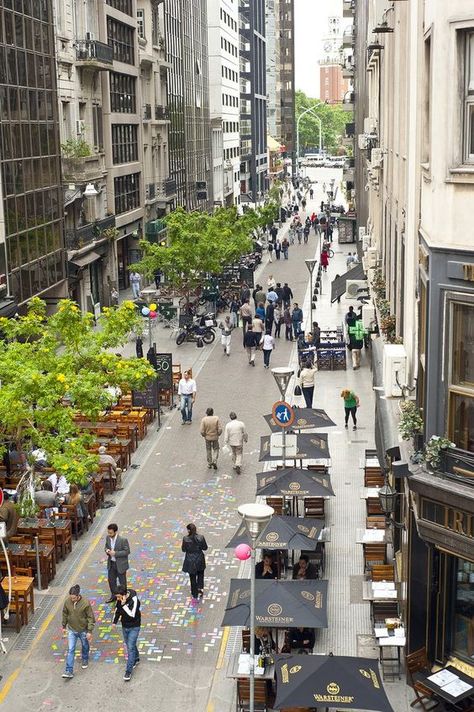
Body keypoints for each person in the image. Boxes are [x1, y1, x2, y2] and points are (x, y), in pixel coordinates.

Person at [61, 584, 95, 679]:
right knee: (71, 649)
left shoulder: (85, 603)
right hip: (71, 629)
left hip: (83, 630)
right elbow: (64, 613)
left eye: (74, 598)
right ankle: (69, 670)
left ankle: (85, 658)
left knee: (85, 645)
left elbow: (90, 617)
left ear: (78, 595)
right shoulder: (67, 602)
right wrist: (64, 626)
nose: (72, 600)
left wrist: (89, 631)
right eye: (71, 598)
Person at [113, 585, 141, 681]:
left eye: (119, 597)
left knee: (130, 648)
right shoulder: (119, 599)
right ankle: (136, 658)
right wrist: (114, 622)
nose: (117, 599)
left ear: (124, 595)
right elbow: (117, 611)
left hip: (134, 626)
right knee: (131, 645)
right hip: (125, 626)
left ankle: (128, 671)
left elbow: (132, 615)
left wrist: (124, 605)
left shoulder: (134, 599)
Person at [104, 523, 131, 603]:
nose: (109, 534)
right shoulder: (108, 538)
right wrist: (107, 551)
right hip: (111, 563)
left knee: (122, 582)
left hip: (120, 565)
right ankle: (114, 596)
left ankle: (124, 597)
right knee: (111, 581)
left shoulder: (123, 540)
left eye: (111, 533)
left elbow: (127, 551)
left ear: (115, 532)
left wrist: (115, 553)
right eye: (108, 532)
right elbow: (106, 547)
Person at [181, 523, 208, 600]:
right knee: (200, 574)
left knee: (192, 577)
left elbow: (183, 549)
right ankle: (200, 588)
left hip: (190, 560)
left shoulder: (185, 539)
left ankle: (194, 593)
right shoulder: (201, 537)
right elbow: (205, 548)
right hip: (199, 559)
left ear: (188, 530)